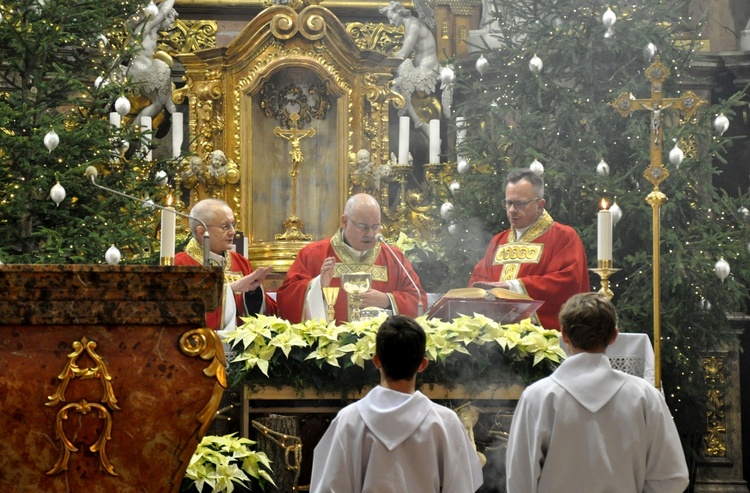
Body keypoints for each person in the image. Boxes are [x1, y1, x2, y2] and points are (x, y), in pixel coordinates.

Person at [505, 292, 689, 493]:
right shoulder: (644, 396)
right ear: (614, 337)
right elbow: (672, 478)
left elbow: (520, 480)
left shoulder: (537, 397)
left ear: (563, 334)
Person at [310, 315, 484, 493]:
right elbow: (462, 485)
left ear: (376, 360)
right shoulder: (445, 423)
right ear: (423, 364)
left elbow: (328, 486)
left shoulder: (348, 421)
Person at [468, 168, 590, 330]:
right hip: (494, 339)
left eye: (520, 203)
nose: (512, 210)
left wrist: (512, 287)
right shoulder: (499, 241)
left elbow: (567, 283)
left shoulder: (563, 237)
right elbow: (479, 280)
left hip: (542, 339)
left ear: (540, 205)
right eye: (508, 203)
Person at [276, 193, 427, 324]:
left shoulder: (393, 257)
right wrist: (317, 286)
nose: (370, 234)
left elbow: (418, 299)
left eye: (375, 227)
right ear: (344, 222)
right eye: (363, 226)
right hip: (330, 350)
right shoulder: (313, 254)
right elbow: (286, 299)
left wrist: (387, 300)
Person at [174, 198, 277, 330]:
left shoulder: (241, 262)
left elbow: (263, 316)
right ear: (201, 232)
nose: (233, 231)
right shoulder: (179, 264)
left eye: (233, 224)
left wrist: (253, 293)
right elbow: (181, 311)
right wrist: (230, 290)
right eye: (225, 226)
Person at [379, 0, 439, 132]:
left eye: (391, 17)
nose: (391, 22)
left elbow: (404, 53)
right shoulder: (409, 25)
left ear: (398, 12)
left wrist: (382, 65)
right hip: (419, 66)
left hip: (427, 68)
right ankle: (420, 124)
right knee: (396, 84)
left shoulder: (413, 25)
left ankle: (421, 124)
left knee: (396, 86)